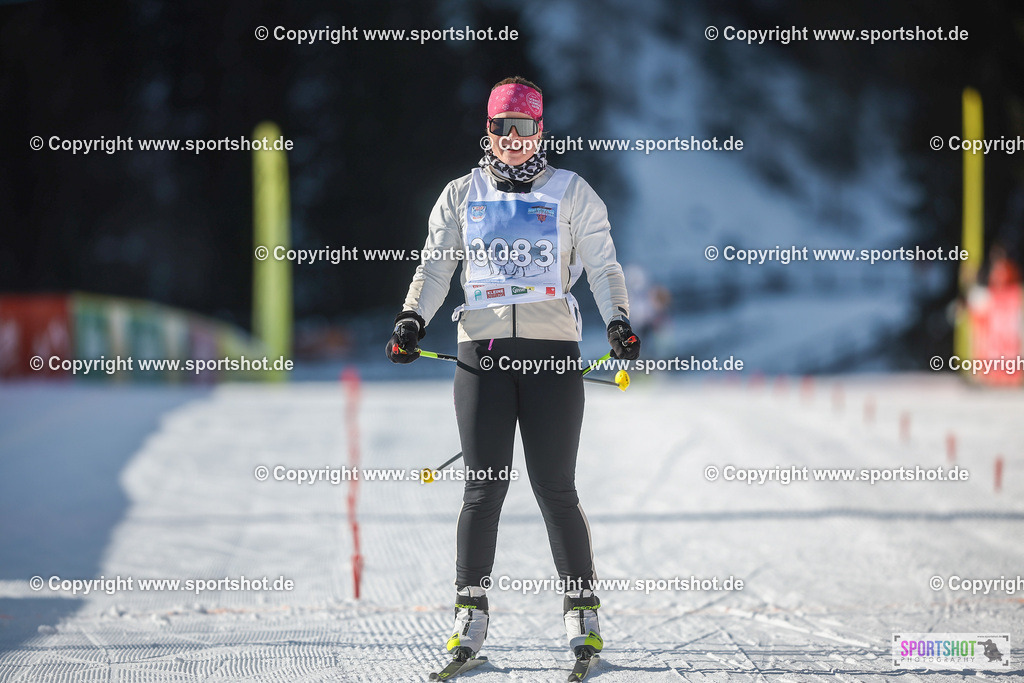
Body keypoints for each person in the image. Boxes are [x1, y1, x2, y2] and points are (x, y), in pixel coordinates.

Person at [386, 76, 640, 665]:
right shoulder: (461, 195)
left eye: (525, 128)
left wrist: (618, 320)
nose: (514, 140)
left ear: (541, 130)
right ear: (489, 131)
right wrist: (409, 320)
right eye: (503, 127)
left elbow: (604, 266)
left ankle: (582, 612)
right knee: (484, 487)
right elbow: (434, 267)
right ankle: (469, 614)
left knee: (555, 488)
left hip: (552, 354)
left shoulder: (572, 193)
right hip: (483, 352)